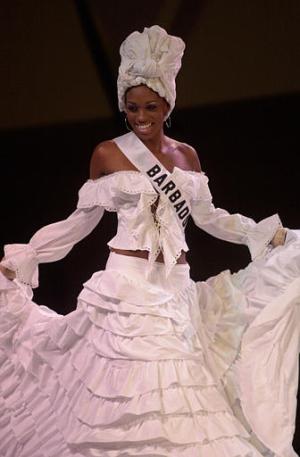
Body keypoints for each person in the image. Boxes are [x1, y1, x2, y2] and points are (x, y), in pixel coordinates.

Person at [0, 25, 299, 457]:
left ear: (167, 106)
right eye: (133, 107)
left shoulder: (186, 156)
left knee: (179, 404)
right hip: (126, 286)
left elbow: (209, 218)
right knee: (129, 399)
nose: (141, 116)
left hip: (174, 289)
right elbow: (79, 222)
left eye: (151, 107)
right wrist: (30, 254)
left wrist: (263, 233)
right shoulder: (108, 152)